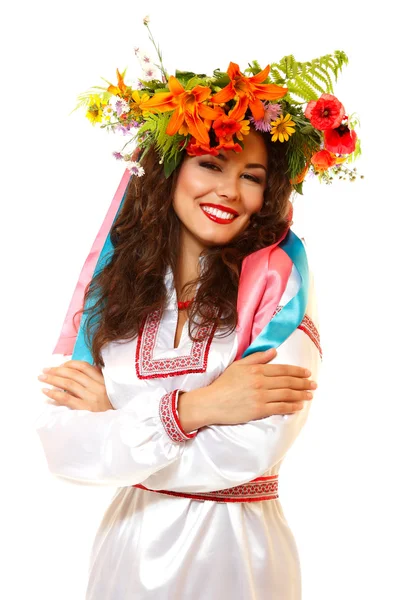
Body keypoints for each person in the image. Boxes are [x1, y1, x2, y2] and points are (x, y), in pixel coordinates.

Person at [35, 24, 359, 600]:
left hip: (236, 559)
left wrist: (117, 419)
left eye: (251, 176)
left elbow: (246, 453)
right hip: (126, 555)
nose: (229, 190)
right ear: (170, 171)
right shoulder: (118, 292)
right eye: (211, 164)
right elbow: (64, 449)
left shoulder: (278, 295)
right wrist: (203, 405)